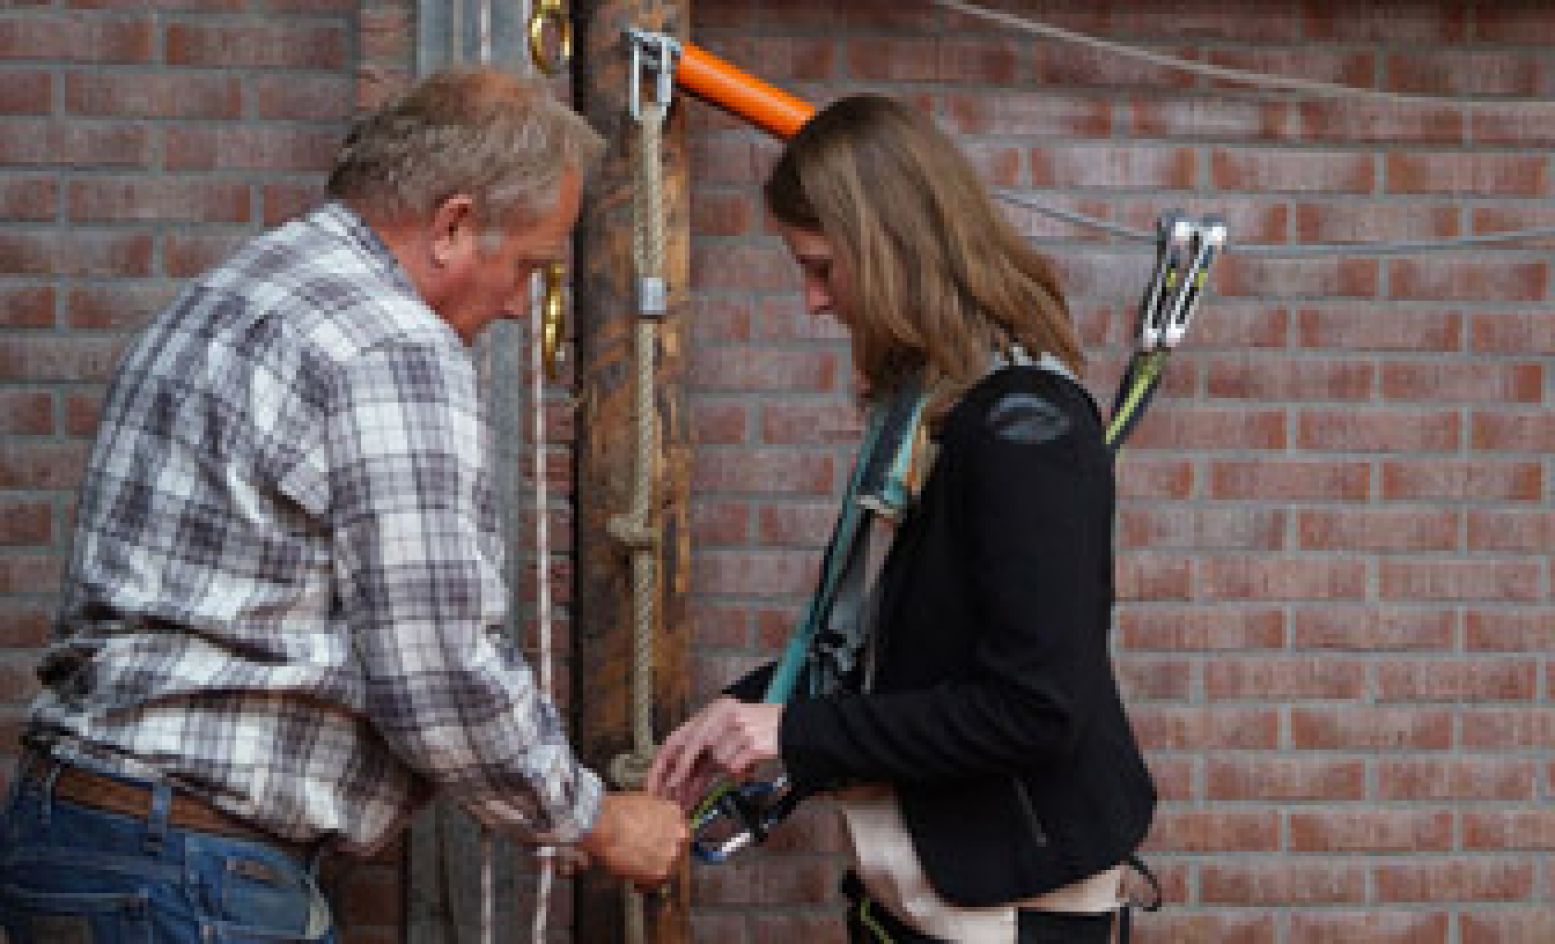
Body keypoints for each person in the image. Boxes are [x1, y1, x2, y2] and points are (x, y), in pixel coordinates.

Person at [0, 67, 686, 944]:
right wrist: (592, 817)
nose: (520, 306)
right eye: (526, 268)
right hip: (188, 868)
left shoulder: (230, 293)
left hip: (78, 832)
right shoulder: (390, 342)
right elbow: (434, 666)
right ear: (454, 226)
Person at [647, 95, 1156, 943]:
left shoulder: (1025, 427)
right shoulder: (932, 405)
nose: (812, 302)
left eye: (820, 267)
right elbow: (901, 648)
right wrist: (741, 713)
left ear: (889, 255)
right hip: (930, 893)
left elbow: (1035, 707)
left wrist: (793, 728)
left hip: (1007, 896)